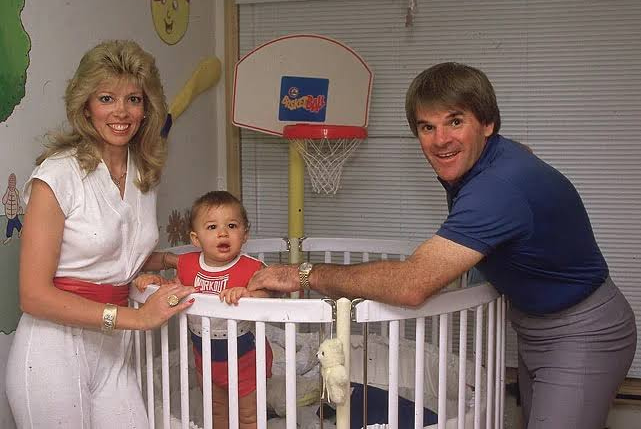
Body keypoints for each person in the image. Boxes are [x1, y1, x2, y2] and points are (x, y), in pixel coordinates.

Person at [248, 62, 637, 429]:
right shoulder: (493, 159)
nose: (440, 140)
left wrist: (302, 273)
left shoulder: (496, 188)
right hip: (534, 327)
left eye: (455, 121)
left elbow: (411, 286)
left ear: (487, 123)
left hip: (582, 333)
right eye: (426, 127)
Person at [5, 40, 197, 429]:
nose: (121, 112)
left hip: (111, 350)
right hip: (52, 349)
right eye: (107, 98)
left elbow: (112, 255)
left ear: (147, 109)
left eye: (134, 99)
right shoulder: (56, 176)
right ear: (85, 106)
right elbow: (33, 294)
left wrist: (173, 261)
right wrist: (138, 318)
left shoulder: (144, 173)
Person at [135, 190, 274, 429]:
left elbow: (272, 293)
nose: (222, 233)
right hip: (205, 356)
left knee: (248, 416)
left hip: (245, 359)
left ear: (245, 234)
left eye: (232, 225)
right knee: (217, 412)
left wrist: (250, 294)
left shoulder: (252, 267)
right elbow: (175, 291)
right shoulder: (188, 264)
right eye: (211, 227)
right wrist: (157, 284)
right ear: (196, 238)